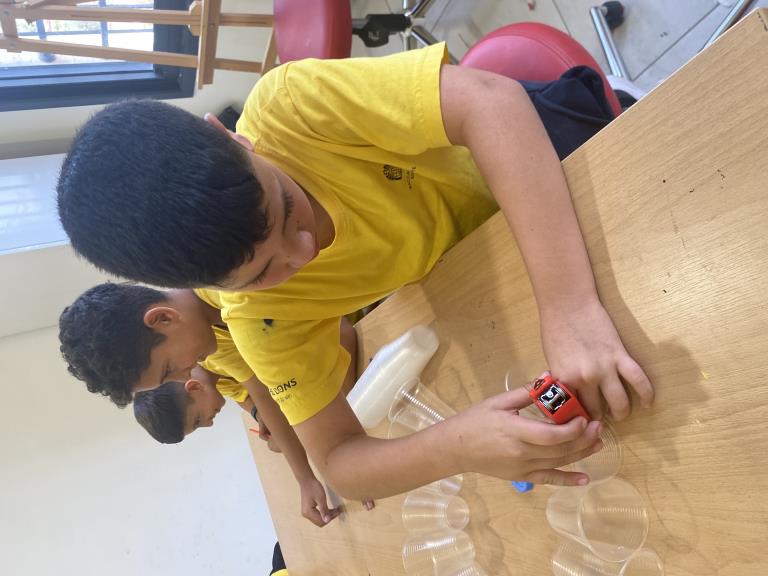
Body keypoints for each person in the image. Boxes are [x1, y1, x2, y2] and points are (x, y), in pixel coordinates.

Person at [57, 44, 653, 500]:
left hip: (556, 159)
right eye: (263, 272)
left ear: (229, 138)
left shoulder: (290, 109)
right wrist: (456, 446)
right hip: (490, 259)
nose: (303, 251)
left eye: (285, 209)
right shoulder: (258, 321)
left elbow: (489, 102)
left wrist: (568, 307)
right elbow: (340, 465)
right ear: (214, 289)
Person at [59, 282, 363, 525]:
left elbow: (342, 336)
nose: (185, 375)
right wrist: (313, 466)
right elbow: (260, 398)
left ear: (163, 318)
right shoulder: (215, 343)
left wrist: (326, 460)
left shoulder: (233, 308)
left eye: (168, 370)